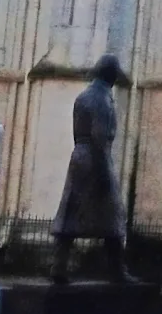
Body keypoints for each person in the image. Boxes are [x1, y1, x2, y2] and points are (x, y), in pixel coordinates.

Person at [52, 55, 133, 284]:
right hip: (96, 157)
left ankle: (58, 266)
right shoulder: (102, 100)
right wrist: (104, 172)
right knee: (113, 214)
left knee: (70, 212)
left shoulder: (83, 96)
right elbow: (99, 135)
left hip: (79, 156)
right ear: (112, 75)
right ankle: (117, 270)